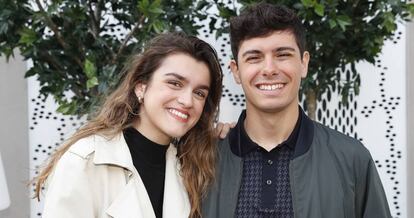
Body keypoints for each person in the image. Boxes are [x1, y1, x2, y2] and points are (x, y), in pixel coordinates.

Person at [202, 3, 391, 218]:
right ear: (236, 71)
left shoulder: (351, 158)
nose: (269, 69)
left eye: (282, 55)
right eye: (254, 57)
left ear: (304, 63)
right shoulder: (204, 159)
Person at [34, 32, 223, 218]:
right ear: (141, 87)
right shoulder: (85, 160)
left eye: (199, 93)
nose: (187, 101)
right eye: (174, 83)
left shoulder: (191, 166)